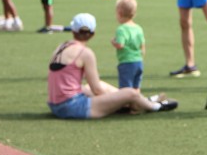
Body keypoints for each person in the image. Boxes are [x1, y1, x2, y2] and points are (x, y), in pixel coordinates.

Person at [48, 13, 177, 119]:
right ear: (93, 33)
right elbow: (97, 90)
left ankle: (139, 100)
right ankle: (155, 106)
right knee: (130, 92)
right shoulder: (85, 53)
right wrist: (118, 99)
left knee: (92, 87)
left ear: (73, 30)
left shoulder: (61, 46)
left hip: (55, 105)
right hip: (72, 107)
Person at [111, 0, 146, 92]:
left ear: (120, 13)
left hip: (127, 62)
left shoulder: (121, 29)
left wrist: (113, 42)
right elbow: (142, 45)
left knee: (125, 89)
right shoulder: (138, 28)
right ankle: (137, 100)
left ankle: (127, 101)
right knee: (136, 87)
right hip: (139, 62)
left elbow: (120, 45)